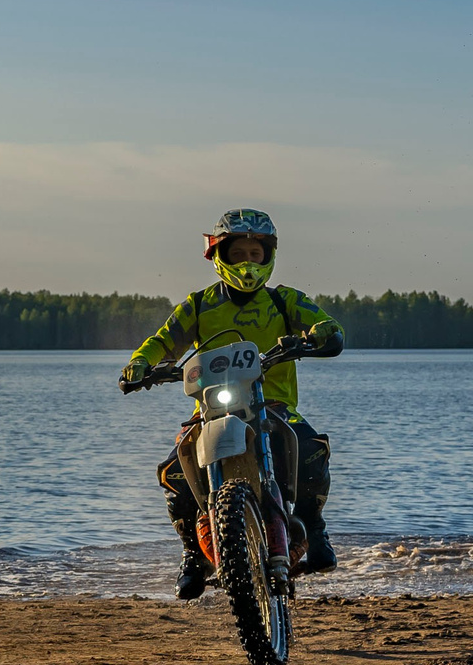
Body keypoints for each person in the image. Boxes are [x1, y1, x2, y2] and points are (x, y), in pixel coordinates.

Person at [120, 208, 344, 599]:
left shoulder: (284, 301)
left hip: (273, 405)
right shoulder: (198, 305)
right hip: (209, 410)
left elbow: (321, 323)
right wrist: (141, 362)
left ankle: (314, 525)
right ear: (220, 256)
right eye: (238, 254)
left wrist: (324, 331)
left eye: (255, 254)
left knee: (310, 450)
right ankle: (193, 553)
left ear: (268, 256)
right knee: (173, 472)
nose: (247, 263)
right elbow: (163, 340)